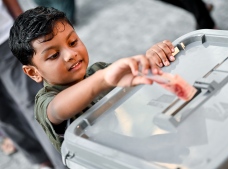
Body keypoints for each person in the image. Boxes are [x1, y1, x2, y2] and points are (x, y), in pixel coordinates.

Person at [9, 6, 176, 153]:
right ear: (33, 72)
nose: (70, 54)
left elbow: (134, 76)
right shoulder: (46, 101)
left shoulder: (99, 70)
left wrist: (150, 60)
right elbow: (56, 110)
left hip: (130, 152)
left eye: (73, 42)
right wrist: (102, 80)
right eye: (53, 55)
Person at [0, 0, 67, 168]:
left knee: (35, 104)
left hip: (4, 38)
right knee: (4, 115)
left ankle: (64, 161)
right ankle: (43, 161)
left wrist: (21, 28)